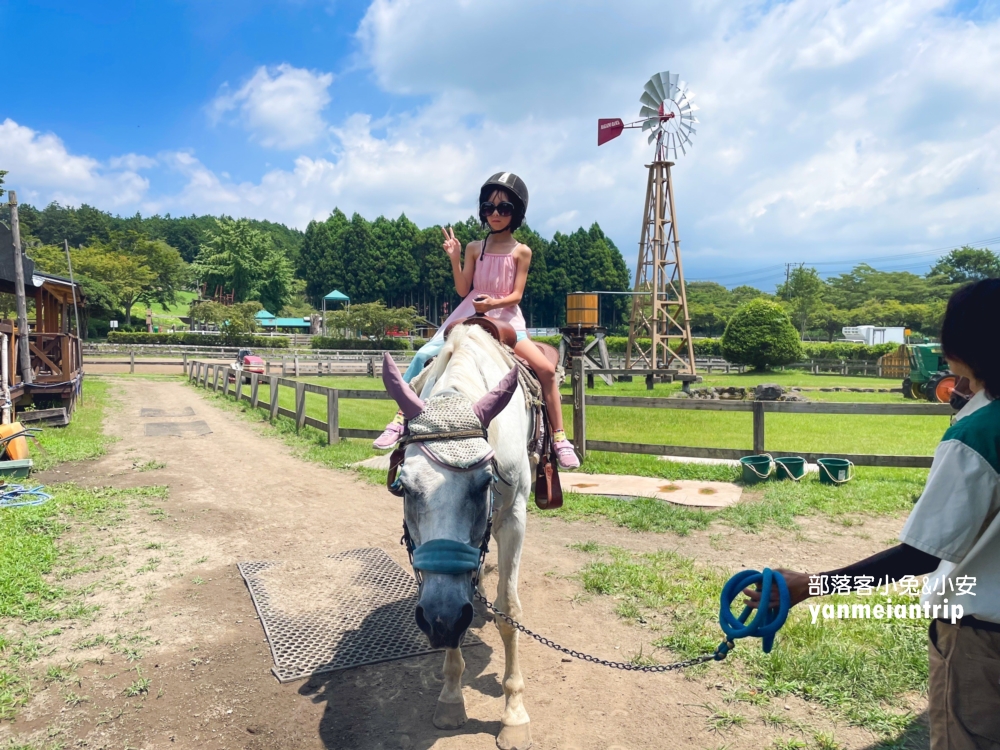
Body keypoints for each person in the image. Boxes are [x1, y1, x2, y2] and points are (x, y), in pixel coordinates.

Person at [745, 278, 1000, 749]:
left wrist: (811, 584)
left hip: (981, 641)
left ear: (964, 345)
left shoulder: (978, 434)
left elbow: (920, 556)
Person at [372, 172, 581, 469]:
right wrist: (455, 258)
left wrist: (494, 303)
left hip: (506, 319)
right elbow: (462, 289)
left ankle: (558, 437)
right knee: (423, 355)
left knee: (546, 369)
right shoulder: (474, 248)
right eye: (489, 208)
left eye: (504, 208)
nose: (495, 214)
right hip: (469, 314)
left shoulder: (522, 251)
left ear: (516, 212)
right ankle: (400, 418)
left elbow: (517, 294)